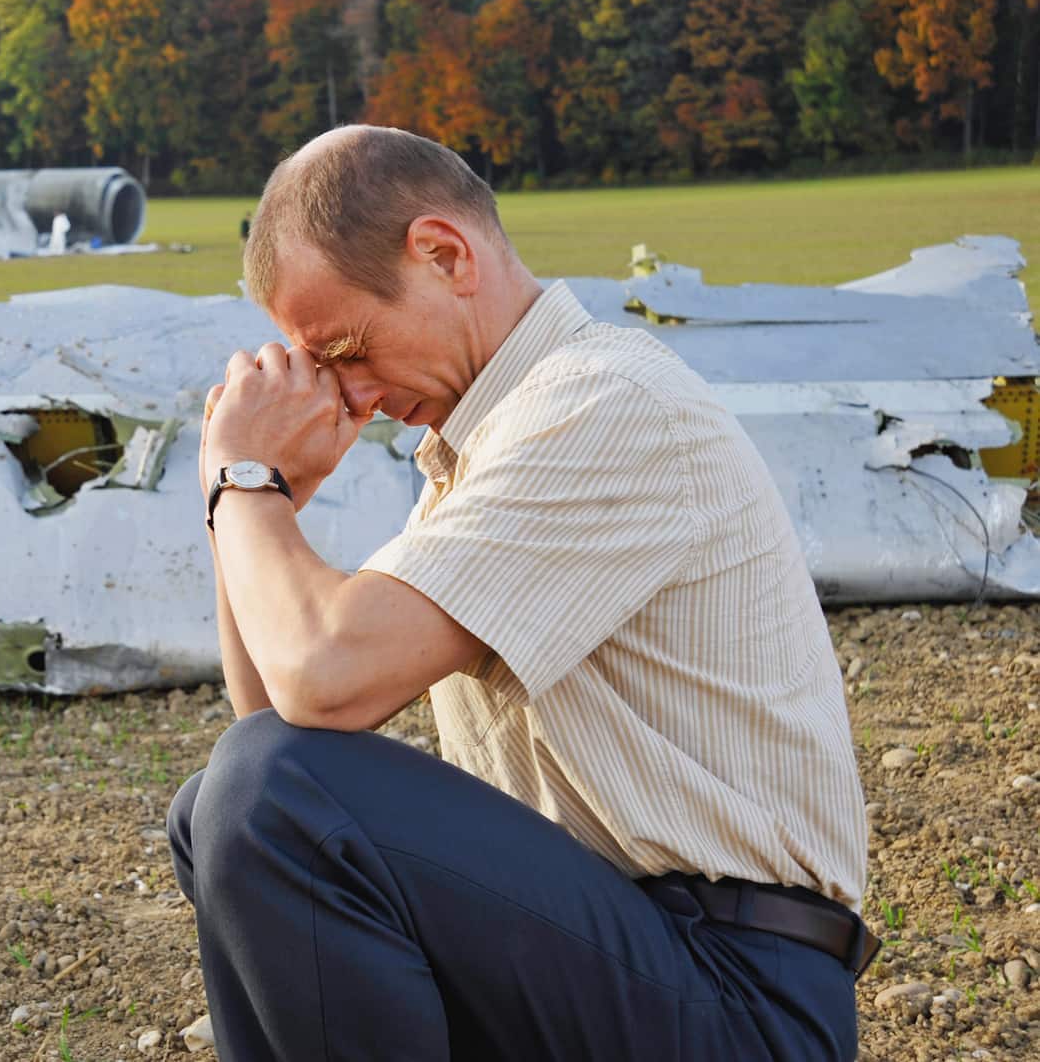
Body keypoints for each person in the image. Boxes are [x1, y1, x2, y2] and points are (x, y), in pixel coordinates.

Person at [169, 125, 872, 1062]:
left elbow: (321, 682)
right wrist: (261, 503)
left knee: (264, 795)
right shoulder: (484, 450)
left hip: (738, 995)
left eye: (345, 348)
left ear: (442, 253)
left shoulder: (602, 404)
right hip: (628, 958)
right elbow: (275, 714)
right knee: (216, 804)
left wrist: (241, 478)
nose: (353, 397)